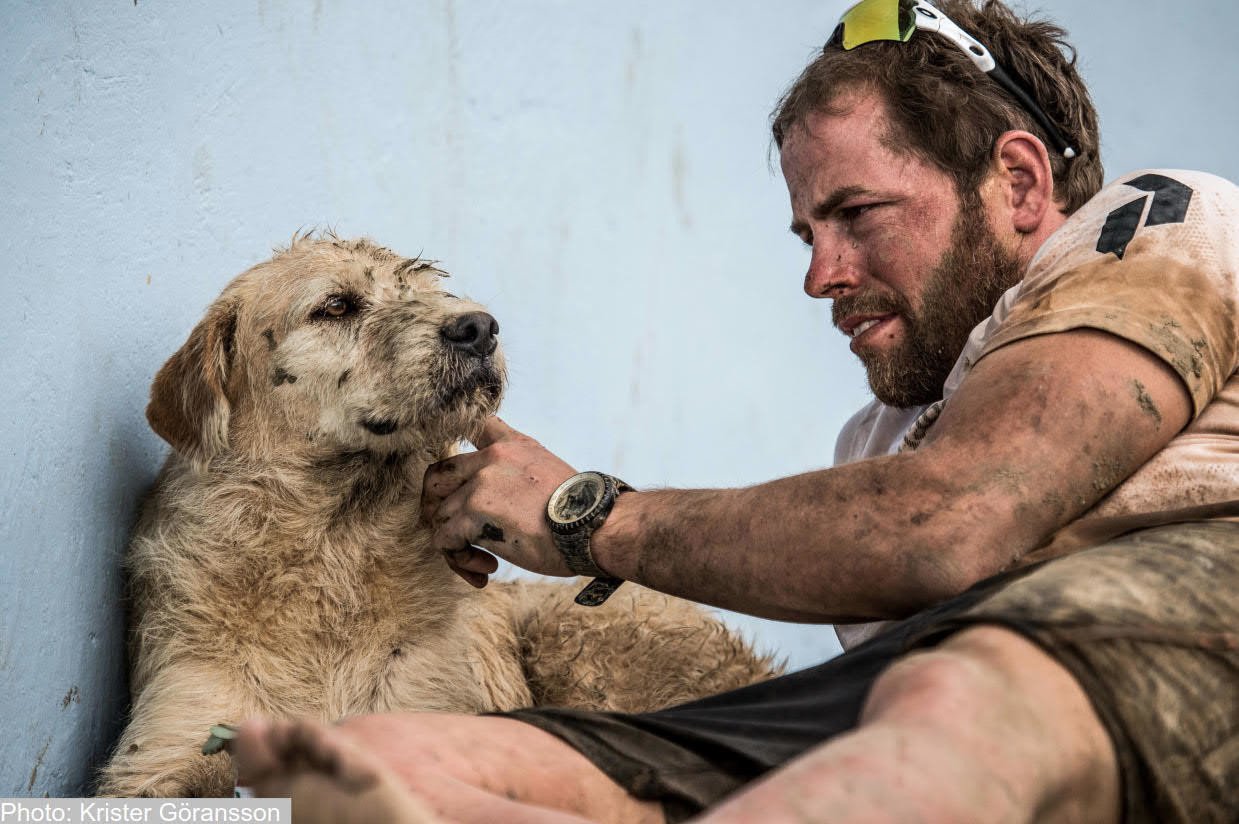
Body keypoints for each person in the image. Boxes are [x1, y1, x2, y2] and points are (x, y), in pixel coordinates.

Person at [230, 1, 1239, 821]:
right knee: (376, 759)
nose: (820, 274)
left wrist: (588, 514)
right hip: (918, 704)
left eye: (856, 212)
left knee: (971, 689)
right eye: (807, 229)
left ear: (1018, 180)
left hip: (1163, 637)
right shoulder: (878, 443)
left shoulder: (1157, 225)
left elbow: (943, 521)